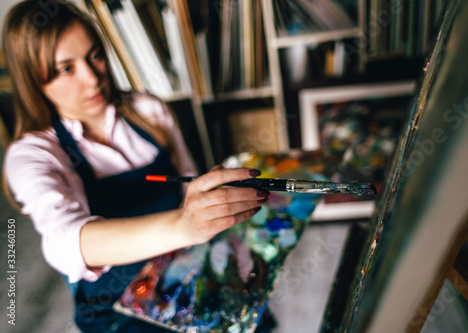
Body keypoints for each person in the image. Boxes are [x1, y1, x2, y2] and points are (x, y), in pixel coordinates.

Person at [1, 1, 270, 332]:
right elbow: (65, 242)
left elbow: (187, 183)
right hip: (116, 307)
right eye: (66, 68)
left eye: (95, 55)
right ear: (33, 79)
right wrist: (184, 225)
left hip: (183, 269)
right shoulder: (32, 154)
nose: (92, 79)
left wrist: (210, 200)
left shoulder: (149, 110)